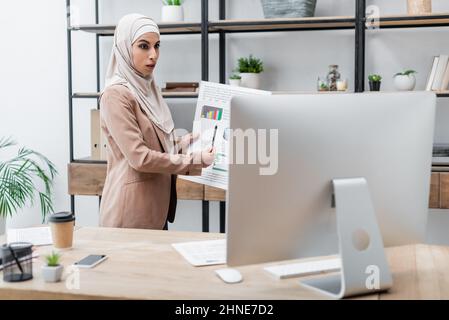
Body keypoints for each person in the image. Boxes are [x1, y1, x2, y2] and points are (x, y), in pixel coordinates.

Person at [99, 14, 214, 230]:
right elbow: (139, 158)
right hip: (131, 213)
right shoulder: (116, 95)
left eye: (157, 46)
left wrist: (181, 143)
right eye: (144, 46)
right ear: (124, 48)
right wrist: (193, 160)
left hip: (155, 208)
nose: (153, 55)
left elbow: (153, 143)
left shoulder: (147, 89)